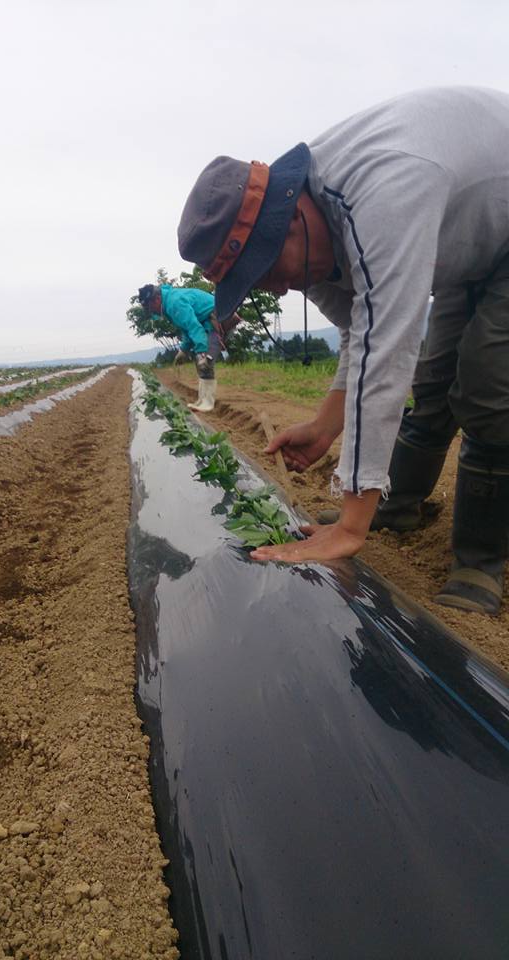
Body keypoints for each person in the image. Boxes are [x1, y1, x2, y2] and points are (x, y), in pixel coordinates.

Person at [177, 86, 509, 615]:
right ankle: (397, 506)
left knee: (487, 381)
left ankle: (480, 558)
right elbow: (359, 333)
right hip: (468, 240)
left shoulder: (383, 195)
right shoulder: (314, 235)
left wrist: (350, 527)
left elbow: (387, 350)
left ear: (290, 219)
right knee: (433, 381)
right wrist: (324, 427)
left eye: (267, 269)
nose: (277, 289)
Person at [136, 283, 241, 411]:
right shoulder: (169, 303)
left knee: (205, 362)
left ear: (157, 299)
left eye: (150, 307)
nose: (151, 311)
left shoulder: (174, 303)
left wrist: (202, 351)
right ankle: (203, 400)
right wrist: (183, 349)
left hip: (220, 318)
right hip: (208, 321)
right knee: (201, 362)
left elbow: (194, 327)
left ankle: (207, 403)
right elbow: (186, 329)